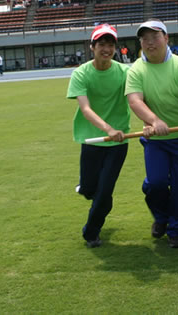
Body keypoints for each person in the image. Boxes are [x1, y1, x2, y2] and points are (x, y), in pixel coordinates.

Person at [125, 19, 178, 248]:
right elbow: (135, 101)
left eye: (155, 37)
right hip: (156, 139)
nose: (150, 43)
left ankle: (176, 229)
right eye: (144, 39)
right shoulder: (136, 69)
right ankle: (161, 217)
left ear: (166, 38)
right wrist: (154, 120)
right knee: (156, 183)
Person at [67, 24, 131, 248]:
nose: (106, 49)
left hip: (118, 141)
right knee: (90, 189)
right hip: (91, 139)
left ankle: (91, 232)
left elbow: (138, 100)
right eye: (101, 44)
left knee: (105, 192)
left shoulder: (125, 73)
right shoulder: (81, 73)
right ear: (92, 47)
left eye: (110, 45)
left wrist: (153, 123)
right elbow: (86, 109)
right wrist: (108, 129)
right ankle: (88, 190)